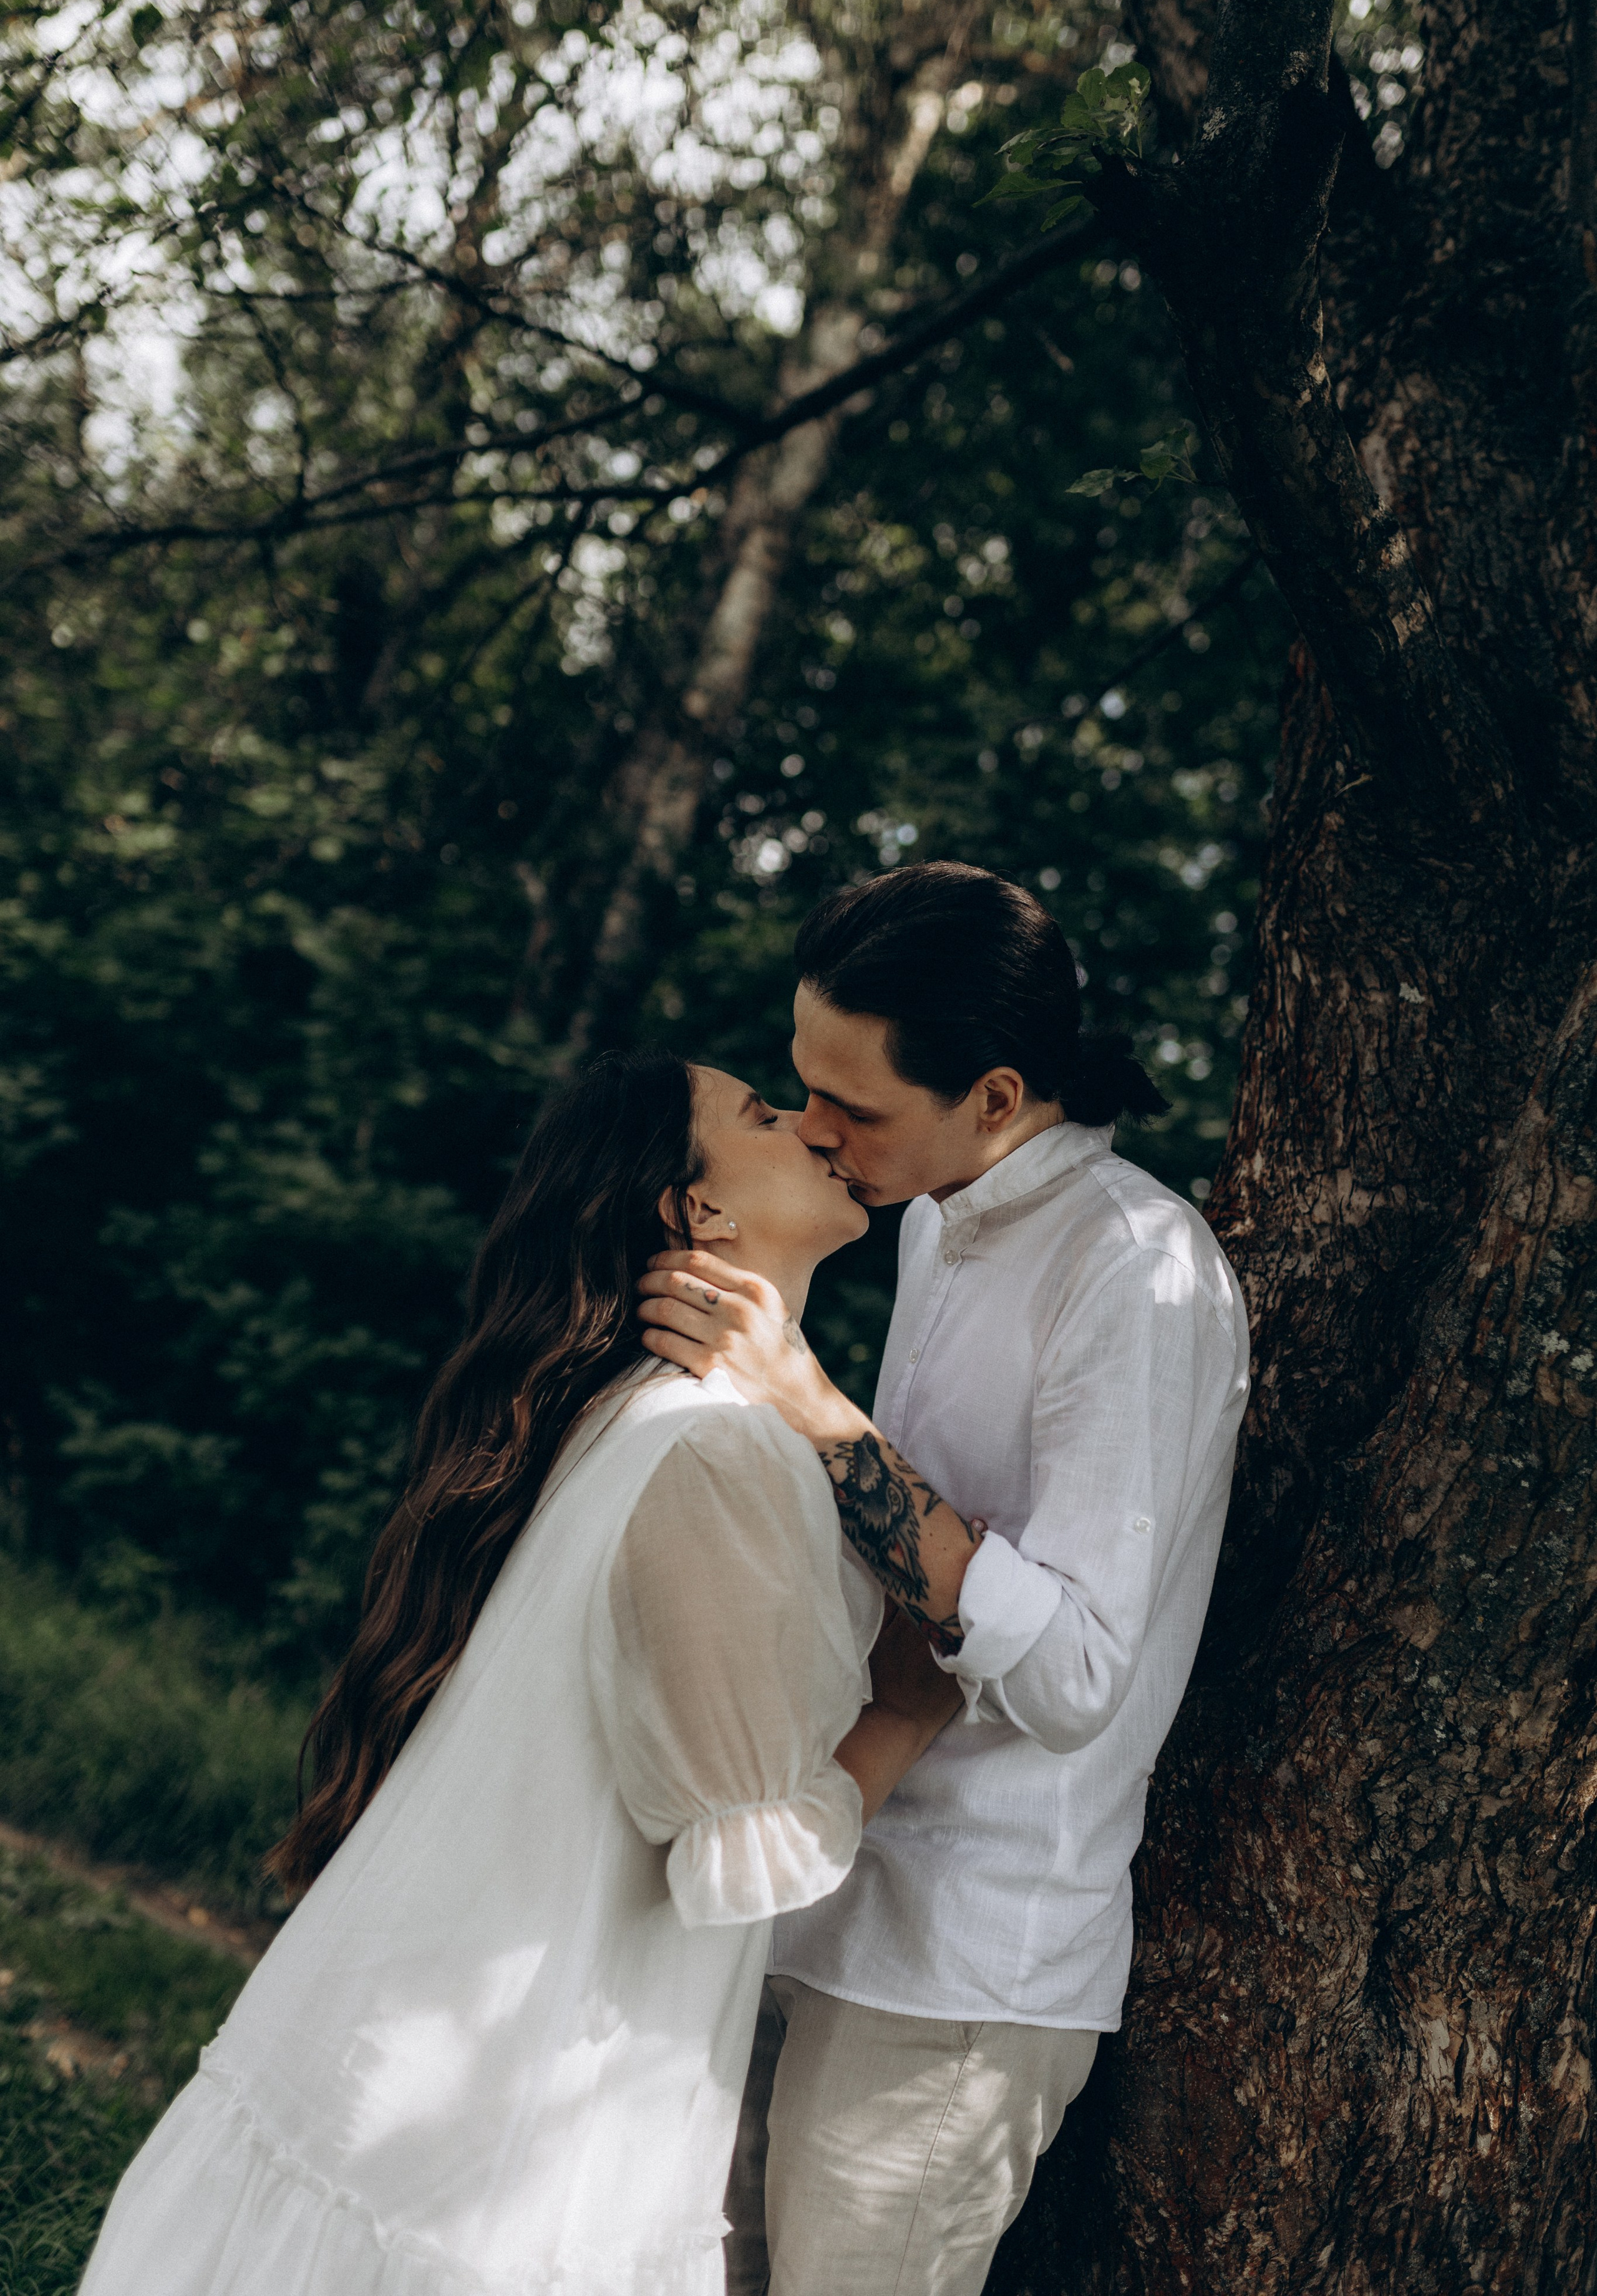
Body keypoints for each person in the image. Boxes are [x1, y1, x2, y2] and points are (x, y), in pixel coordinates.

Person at [79, 1047, 962, 2296]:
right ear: (698, 1210)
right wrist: (906, 1713)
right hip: (496, 2112)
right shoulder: (713, 1448)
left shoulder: (629, 1411)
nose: (816, 1126)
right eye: (765, 1115)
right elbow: (742, 1850)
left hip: (416, 2057)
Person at [638, 861, 1252, 2296]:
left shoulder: (1132, 1269)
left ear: (993, 1095)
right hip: (822, 1879)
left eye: (852, 1106)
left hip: (966, 1961)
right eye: (803, 1087)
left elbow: (1079, 1673)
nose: (813, 1130)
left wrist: (816, 1412)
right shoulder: (927, 1213)